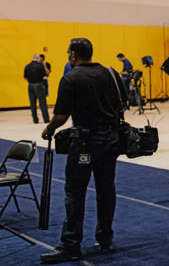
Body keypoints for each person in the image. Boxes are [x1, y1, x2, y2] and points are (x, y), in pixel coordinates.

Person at [40, 38, 127, 263]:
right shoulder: (111, 73)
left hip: (85, 143)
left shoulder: (71, 78)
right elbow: (123, 103)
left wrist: (49, 129)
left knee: (75, 193)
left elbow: (60, 117)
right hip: (110, 141)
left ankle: (70, 245)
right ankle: (105, 237)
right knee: (106, 190)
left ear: (73, 56)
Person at [24, 54, 50, 124]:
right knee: (42, 103)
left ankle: (35, 120)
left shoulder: (27, 66)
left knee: (32, 103)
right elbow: (45, 77)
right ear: (37, 58)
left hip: (30, 85)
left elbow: (25, 78)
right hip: (39, 85)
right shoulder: (40, 66)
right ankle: (46, 119)